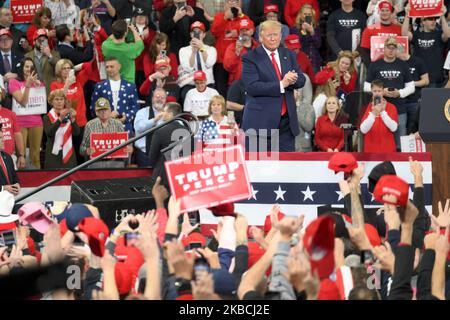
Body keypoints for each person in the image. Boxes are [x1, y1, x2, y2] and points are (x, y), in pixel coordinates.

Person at [241, 20, 305, 152]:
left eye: (276, 35)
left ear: (281, 36)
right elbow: (252, 87)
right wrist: (282, 84)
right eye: (269, 35)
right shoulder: (250, 58)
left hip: (286, 124)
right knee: (258, 169)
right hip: (260, 124)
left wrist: (293, 79)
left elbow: (302, 80)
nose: (273, 38)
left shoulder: (289, 54)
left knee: (286, 168)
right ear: (260, 37)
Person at [364, 37, 414, 148]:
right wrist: (382, 92)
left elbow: (411, 87)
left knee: (400, 143)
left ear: (397, 50)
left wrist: (400, 93)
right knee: (380, 140)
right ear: (384, 49)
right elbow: (366, 87)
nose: (391, 50)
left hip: (399, 108)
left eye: (393, 48)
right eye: (388, 47)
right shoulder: (375, 65)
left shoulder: (403, 65)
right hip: (378, 107)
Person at [9, 57, 46, 169]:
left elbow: (42, 103)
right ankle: (21, 180)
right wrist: (28, 85)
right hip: (20, 122)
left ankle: (38, 182)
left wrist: (39, 86)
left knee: (36, 155)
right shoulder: (14, 82)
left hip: (36, 121)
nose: (29, 69)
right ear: (22, 67)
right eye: (26, 66)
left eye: (31, 66)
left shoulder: (39, 83)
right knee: (22, 155)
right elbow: (22, 101)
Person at [402, 4, 450, 88]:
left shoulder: (438, 35)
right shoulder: (417, 34)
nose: (433, 21)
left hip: (435, 77)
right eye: (430, 19)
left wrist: (442, 15)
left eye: (435, 19)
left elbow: (447, 34)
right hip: (419, 77)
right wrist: (407, 15)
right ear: (423, 21)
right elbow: (404, 34)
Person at [148, 102, 193, 188]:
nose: (162, 113)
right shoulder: (188, 132)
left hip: (162, 176)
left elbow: (152, 156)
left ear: (170, 114)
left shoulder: (160, 131)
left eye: (164, 111)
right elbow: (189, 155)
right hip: (182, 176)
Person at [211, 0, 251, 97]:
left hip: (238, 59)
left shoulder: (243, 17)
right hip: (221, 60)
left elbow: (250, 29)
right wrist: (225, 17)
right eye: (230, 1)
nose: (233, 4)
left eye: (236, 1)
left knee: (237, 87)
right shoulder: (219, 16)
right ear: (225, 4)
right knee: (221, 89)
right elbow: (214, 31)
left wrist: (241, 15)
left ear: (240, 4)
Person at [90, 57, 139, 134]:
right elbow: (93, 109)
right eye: (107, 67)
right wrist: (107, 116)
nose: (109, 69)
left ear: (119, 67)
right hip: (105, 130)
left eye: (112, 67)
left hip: (125, 129)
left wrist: (126, 117)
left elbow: (135, 107)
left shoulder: (130, 86)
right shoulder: (99, 87)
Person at [80, 97, 132, 168]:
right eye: (100, 110)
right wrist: (87, 151)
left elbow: (126, 145)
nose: (103, 112)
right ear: (96, 112)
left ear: (110, 110)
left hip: (115, 162)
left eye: (105, 109)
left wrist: (129, 148)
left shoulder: (118, 124)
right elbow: (81, 149)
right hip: (96, 163)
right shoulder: (89, 125)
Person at [178, 21, 217, 102]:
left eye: (199, 32)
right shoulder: (183, 50)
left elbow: (209, 63)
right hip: (191, 84)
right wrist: (193, 52)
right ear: (191, 34)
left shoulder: (211, 49)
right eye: (194, 32)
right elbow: (188, 68)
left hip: (208, 84)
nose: (197, 34)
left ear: (204, 34)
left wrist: (201, 48)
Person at [43, 89, 80, 169]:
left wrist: (73, 119)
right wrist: (60, 119)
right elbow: (49, 133)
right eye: (56, 99)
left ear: (64, 101)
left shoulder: (69, 115)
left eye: (61, 99)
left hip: (69, 154)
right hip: (53, 155)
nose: (59, 102)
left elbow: (76, 133)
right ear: (51, 102)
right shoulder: (47, 117)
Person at [359, 1, 401, 67]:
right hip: (376, 68)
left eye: (387, 10)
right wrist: (371, 68)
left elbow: (403, 49)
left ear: (391, 12)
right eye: (382, 10)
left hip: (396, 67)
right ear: (378, 12)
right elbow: (364, 52)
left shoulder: (398, 29)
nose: (385, 13)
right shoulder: (369, 29)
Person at [360, 79, 398, 152]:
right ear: (371, 91)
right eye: (375, 91)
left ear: (383, 92)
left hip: (388, 150)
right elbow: (363, 130)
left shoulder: (392, 107)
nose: (377, 93)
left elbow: (394, 128)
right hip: (370, 151)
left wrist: (383, 112)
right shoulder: (365, 107)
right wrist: (373, 113)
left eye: (379, 91)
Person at [101, 19, 144, 84]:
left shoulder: (105, 46)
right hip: (128, 83)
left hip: (112, 82)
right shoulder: (130, 49)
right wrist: (133, 30)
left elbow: (111, 38)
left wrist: (118, 29)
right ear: (125, 33)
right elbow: (140, 44)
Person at [133, 87, 167, 167]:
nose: (159, 99)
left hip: (163, 154)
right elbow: (139, 128)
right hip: (144, 154)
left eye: (162, 97)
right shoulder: (142, 112)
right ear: (152, 98)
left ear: (165, 100)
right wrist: (154, 120)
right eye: (157, 97)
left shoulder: (168, 114)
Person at [397, 50, 429, 135]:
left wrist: (411, 84)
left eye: (396, 55)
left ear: (402, 51)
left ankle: (412, 147)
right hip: (399, 101)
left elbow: (426, 81)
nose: (395, 57)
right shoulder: (396, 63)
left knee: (413, 128)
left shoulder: (417, 62)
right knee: (400, 128)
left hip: (414, 101)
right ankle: (400, 147)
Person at [25, 29, 61, 95]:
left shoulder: (55, 54)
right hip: (34, 91)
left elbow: (60, 68)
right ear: (34, 42)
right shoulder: (27, 56)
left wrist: (49, 55)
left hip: (51, 91)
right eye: (39, 40)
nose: (42, 42)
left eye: (44, 40)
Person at [223, 17, 258, 85]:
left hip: (255, 83)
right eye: (242, 30)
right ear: (239, 33)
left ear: (252, 31)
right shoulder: (232, 47)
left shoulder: (259, 47)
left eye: (246, 30)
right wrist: (237, 53)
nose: (244, 33)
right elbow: (227, 67)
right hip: (238, 84)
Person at [291, 4, 322, 72]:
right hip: (300, 61)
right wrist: (303, 31)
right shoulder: (294, 29)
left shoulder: (316, 28)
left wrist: (312, 32)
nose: (307, 16)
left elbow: (318, 45)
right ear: (301, 15)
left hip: (314, 60)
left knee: (315, 81)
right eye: (305, 14)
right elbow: (296, 45)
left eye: (309, 14)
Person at [0, 87, 25, 169]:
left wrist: (21, 155)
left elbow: (17, 135)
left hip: (9, 157)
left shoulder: (10, 114)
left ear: (1, 95)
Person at [294, 74, 315, 152]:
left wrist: (297, 108)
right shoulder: (284, 107)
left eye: (295, 91)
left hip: (304, 147)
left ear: (299, 93)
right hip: (287, 147)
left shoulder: (308, 108)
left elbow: (308, 127)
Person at [0, 125, 20, 194]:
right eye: (0, 138)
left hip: (9, 200)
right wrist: (3, 188)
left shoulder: (7, 157)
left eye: (3, 137)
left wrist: (16, 183)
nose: (3, 140)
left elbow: (14, 176)